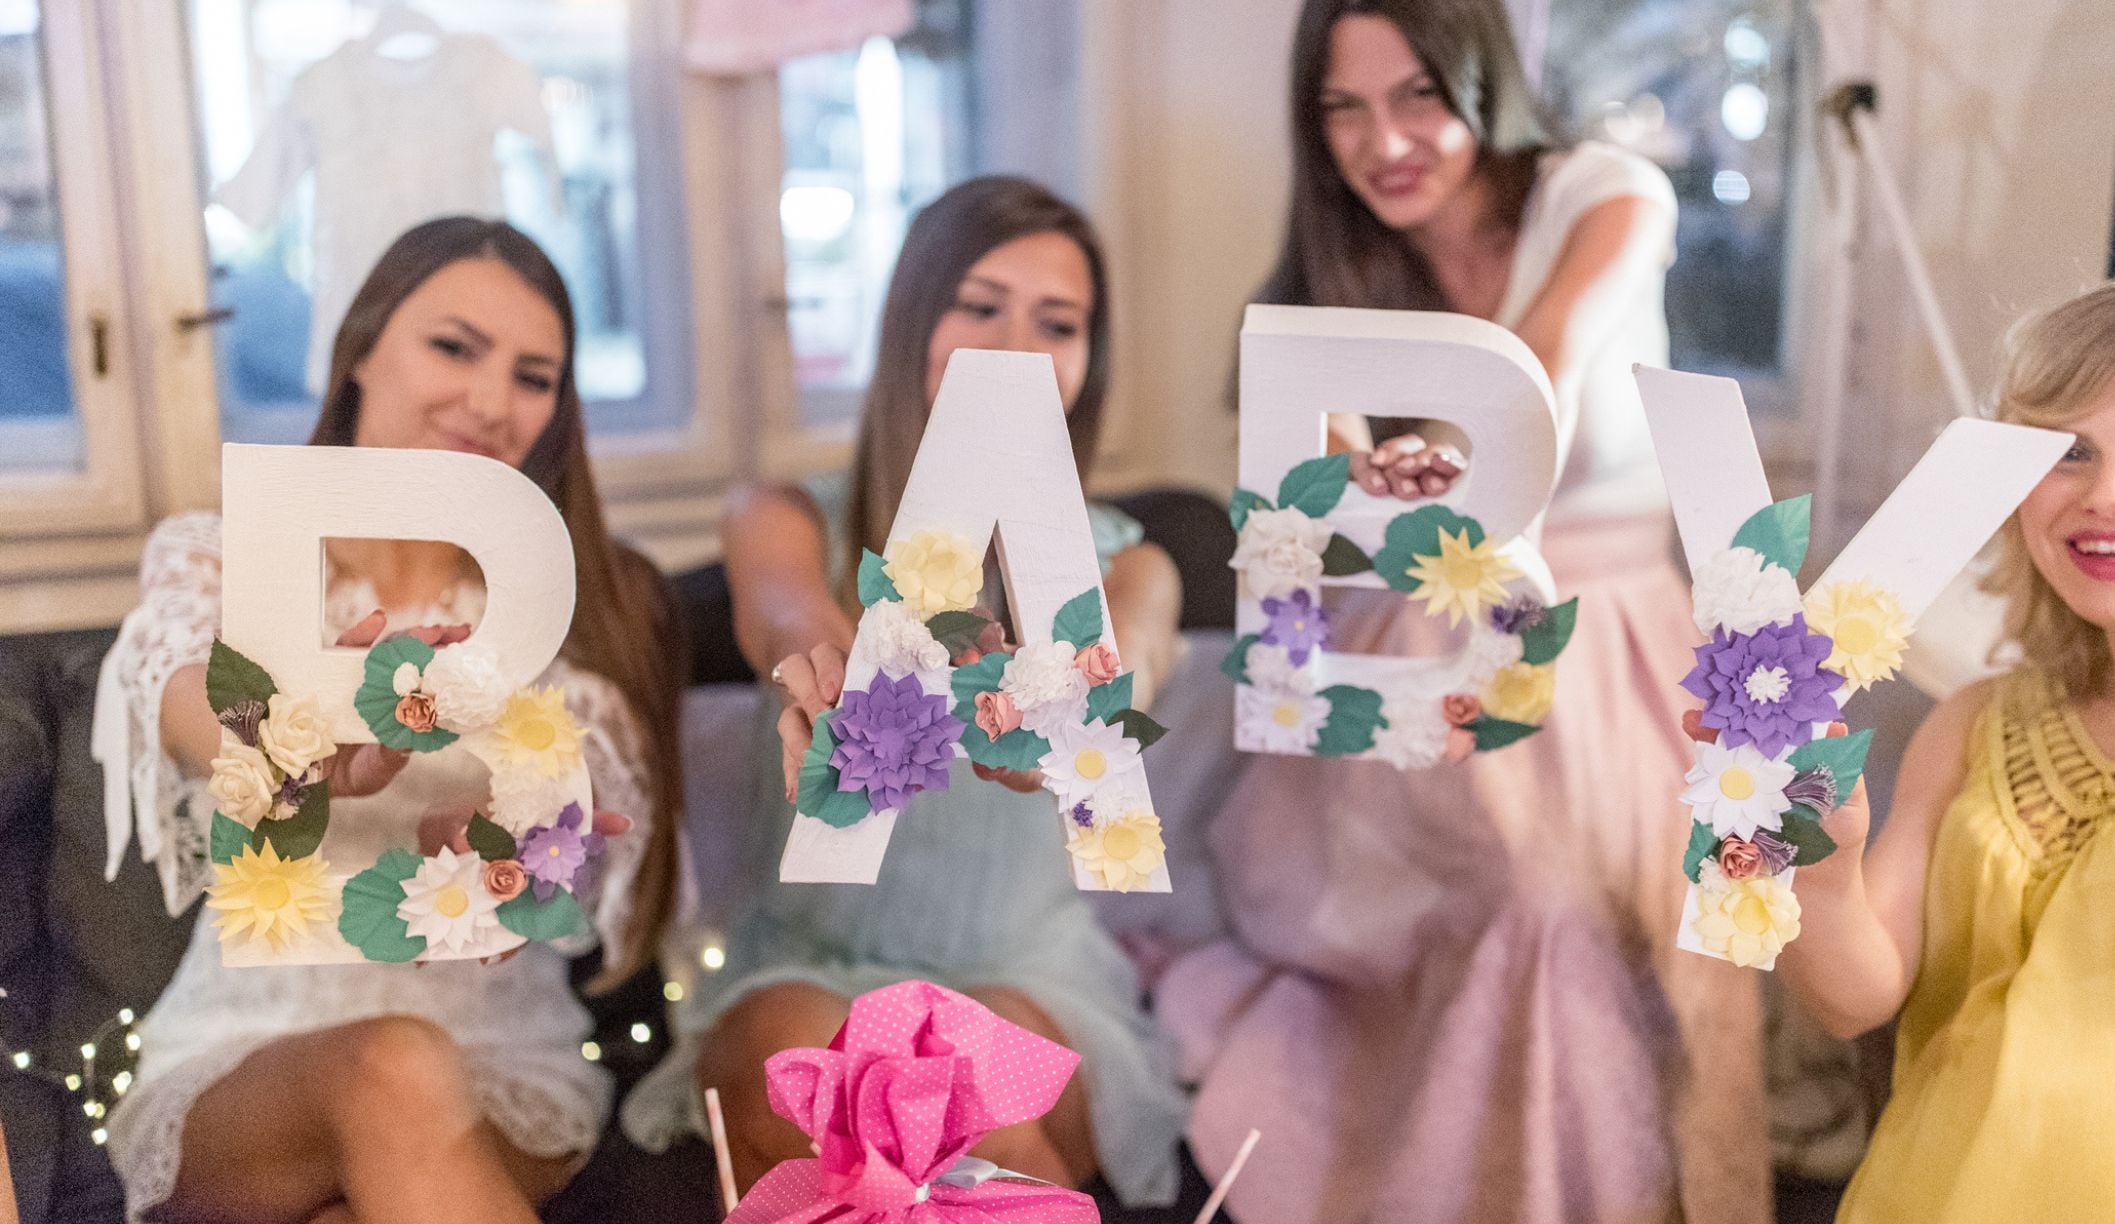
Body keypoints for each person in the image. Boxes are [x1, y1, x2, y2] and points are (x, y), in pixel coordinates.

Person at [1155, 1, 1765, 1221]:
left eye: (1416, 94)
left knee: (1642, 921)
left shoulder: (1606, 193)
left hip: (1614, 637)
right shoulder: (1324, 284)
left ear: (1481, 78)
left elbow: (1538, 361)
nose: (1382, 140)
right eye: (1343, 107)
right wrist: (1337, 500)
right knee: (1510, 898)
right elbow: (1308, 551)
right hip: (1428, 642)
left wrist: (1418, 456)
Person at [94, 217, 686, 1224]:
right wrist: (290, 744)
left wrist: (513, 849)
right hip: (240, 1053)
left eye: (535, 376)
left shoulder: (585, 611)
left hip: (502, 1061)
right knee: (389, 1066)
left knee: (389, 1111)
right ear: (360, 348)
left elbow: (593, 855)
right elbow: (186, 694)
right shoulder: (224, 559)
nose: (492, 401)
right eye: (454, 347)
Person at [623, 175, 1187, 1207]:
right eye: (979, 306)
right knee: (820, 1083)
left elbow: (1123, 679)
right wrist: (832, 677)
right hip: (796, 966)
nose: (1015, 344)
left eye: (1055, 323)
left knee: (980, 1098)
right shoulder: (785, 515)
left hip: (1026, 973)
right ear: (911, 320)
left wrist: (1067, 724)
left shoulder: (1128, 567)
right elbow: (786, 617)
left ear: (1086, 362)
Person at [1788, 277, 2115, 1221]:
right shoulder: (1972, 723)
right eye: (2066, 454)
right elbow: (1852, 1001)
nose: (2111, 494)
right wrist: (1812, 862)